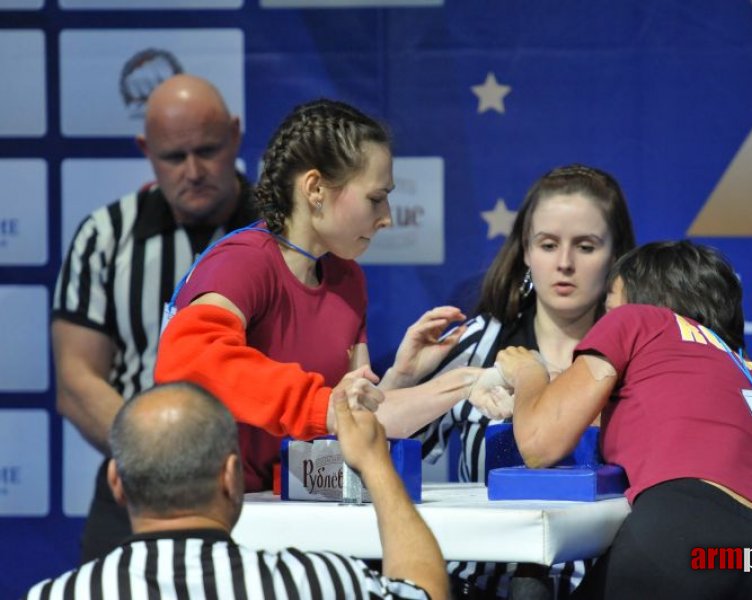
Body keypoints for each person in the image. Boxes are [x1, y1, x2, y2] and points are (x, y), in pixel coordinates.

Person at [154, 98, 491, 494]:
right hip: (214, 509)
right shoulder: (242, 263)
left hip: (296, 508)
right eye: (375, 198)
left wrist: (402, 376)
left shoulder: (347, 278)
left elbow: (355, 424)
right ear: (315, 188)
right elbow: (188, 362)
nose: (386, 217)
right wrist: (323, 407)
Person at [495, 240, 752, 600]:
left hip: (679, 530)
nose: (604, 319)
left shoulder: (637, 319)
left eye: (609, 306)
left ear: (643, 299)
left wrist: (530, 372)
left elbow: (540, 444)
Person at [52, 74, 258, 562]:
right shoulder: (105, 237)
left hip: (257, 480)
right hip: (138, 484)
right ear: (146, 149)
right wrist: (158, 457)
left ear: (235, 134)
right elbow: (77, 381)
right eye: (173, 157)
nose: (193, 170)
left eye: (208, 150)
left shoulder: (285, 233)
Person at [417, 164, 637, 598]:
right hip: (477, 585)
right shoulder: (477, 343)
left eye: (586, 246)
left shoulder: (641, 354)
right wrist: (399, 379)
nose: (565, 264)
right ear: (525, 251)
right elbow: (389, 445)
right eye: (548, 244)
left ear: (615, 256)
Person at [22, 381, 448, 600]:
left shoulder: (58, 595)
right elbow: (424, 591)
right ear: (231, 476)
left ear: (116, 482)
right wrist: (375, 464)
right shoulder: (314, 582)